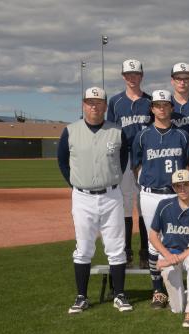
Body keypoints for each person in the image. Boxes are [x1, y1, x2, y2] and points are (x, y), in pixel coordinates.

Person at [58, 86, 132, 314]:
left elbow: (122, 160)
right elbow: (62, 161)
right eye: (90, 102)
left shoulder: (117, 131)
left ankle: (119, 294)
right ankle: (81, 297)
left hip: (111, 195)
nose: (94, 106)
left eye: (98, 102)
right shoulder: (70, 131)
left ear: (105, 106)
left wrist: (109, 181)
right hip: (82, 197)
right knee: (83, 248)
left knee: (116, 247)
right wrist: (77, 185)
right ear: (83, 104)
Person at [132, 90, 189, 309]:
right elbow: (136, 165)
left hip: (176, 193)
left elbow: (188, 164)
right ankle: (157, 290)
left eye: (165, 105)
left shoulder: (182, 135)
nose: (161, 108)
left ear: (171, 108)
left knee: (181, 238)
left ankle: (183, 284)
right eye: (157, 105)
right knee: (153, 240)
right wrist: (148, 181)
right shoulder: (143, 135)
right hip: (151, 194)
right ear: (152, 108)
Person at [107, 59, 152, 269]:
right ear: (123, 76)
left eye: (136, 74)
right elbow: (111, 132)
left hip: (145, 161)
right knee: (125, 206)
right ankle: (127, 251)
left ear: (141, 76)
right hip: (124, 160)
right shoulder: (115, 102)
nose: (132, 78)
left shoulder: (150, 101)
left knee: (143, 206)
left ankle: (145, 251)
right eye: (128, 74)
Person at [149, 169, 189, 329]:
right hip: (170, 254)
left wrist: (172, 260)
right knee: (177, 308)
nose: (182, 189)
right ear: (173, 188)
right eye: (178, 186)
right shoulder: (164, 205)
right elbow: (153, 236)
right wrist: (167, 256)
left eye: (186, 184)